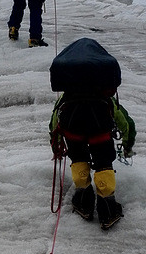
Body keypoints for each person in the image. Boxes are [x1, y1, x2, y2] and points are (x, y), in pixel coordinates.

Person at [49, 39, 127, 228]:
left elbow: (55, 120)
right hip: (100, 133)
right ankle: (107, 208)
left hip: (72, 132)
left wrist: (56, 141)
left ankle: (83, 200)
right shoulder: (105, 98)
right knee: (103, 165)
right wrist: (127, 136)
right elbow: (122, 119)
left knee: (79, 161)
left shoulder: (66, 98)